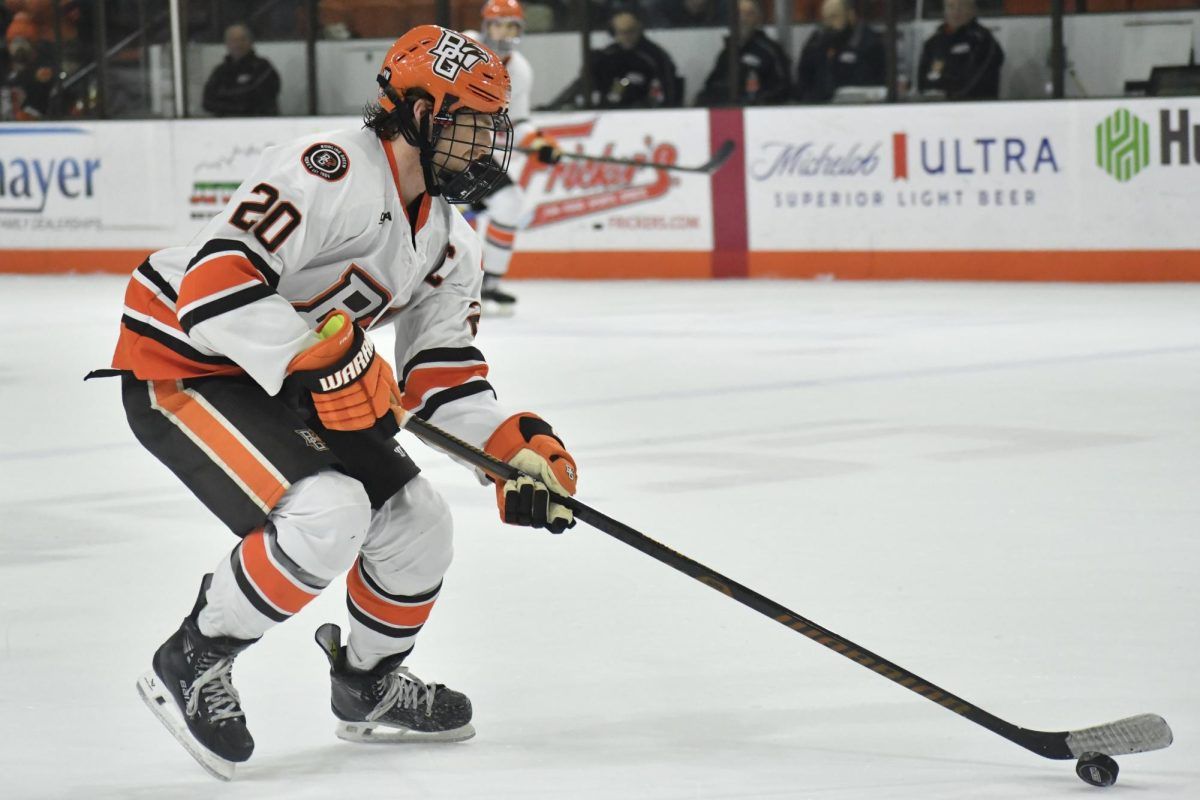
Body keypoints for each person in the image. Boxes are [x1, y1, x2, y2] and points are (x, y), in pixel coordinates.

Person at [97, 24, 579, 780]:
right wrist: (324, 356)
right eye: (471, 125)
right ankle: (192, 656)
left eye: (494, 126)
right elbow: (213, 287)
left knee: (420, 525)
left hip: (295, 379)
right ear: (418, 114)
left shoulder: (452, 243)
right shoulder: (329, 170)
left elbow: (442, 376)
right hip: (186, 361)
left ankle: (366, 685)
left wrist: (511, 449)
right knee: (329, 511)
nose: (487, 145)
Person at [466, 0, 559, 317]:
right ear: (485, 26)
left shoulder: (519, 70)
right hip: (437, 145)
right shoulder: (465, 47)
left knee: (508, 202)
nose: (503, 32)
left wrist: (539, 142)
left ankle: (489, 282)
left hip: (471, 150)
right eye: (497, 24)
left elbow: (516, 122)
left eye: (511, 26)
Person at [695, 0, 790, 106]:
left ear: (757, 19)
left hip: (758, 111)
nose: (742, 19)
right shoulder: (727, 53)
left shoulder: (770, 51)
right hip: (726, 111)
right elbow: (711, 85)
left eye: (749, 14)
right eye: (738, 14)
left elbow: (783, 87)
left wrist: (757, 101)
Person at [795, 0, 885, 104]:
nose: (828, 23)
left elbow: (875, 86)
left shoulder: (870, 44)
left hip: (858, 107)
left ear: (851, 16)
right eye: (825, 18)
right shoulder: (815, 42)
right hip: (818, 108)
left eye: (834, 17)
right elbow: (803, 83)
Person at [593, 6, 680, 108]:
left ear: (639, 29)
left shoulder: (655, 55)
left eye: (630, 31)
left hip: (645, 110)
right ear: (614, 32)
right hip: (611, 110)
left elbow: (666, 88)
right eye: (621, 32)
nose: (626, 37)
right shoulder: (607, 55)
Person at [916, 0, 1003, 101]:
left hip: (972, 106)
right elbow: (921, 81)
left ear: (973, 10)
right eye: (951, 6)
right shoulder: (932, 43)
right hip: (932, 106)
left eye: (962, 5)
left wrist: (948, 97)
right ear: (944, 11)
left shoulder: (983, 40)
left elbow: (977, 80)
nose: (956, 11)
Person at [202, 22, 281, 117]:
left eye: (242, 39)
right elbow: (207, 102)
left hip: (258, 123)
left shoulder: (263, 67)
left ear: (251, 42)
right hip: (225, 125)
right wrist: (236, 101)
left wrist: (223, 97)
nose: (238, 44)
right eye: (233, 40)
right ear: (227, 44)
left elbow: (253, 101)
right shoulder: (220, 70)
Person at [0, 13, 53, 121]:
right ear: (8, 45)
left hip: (29, 127)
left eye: (24, 41)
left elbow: (42, 102)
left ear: (33, 45)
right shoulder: (3, 70)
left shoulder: (41, 72)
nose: (19, 46)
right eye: (15, 41)